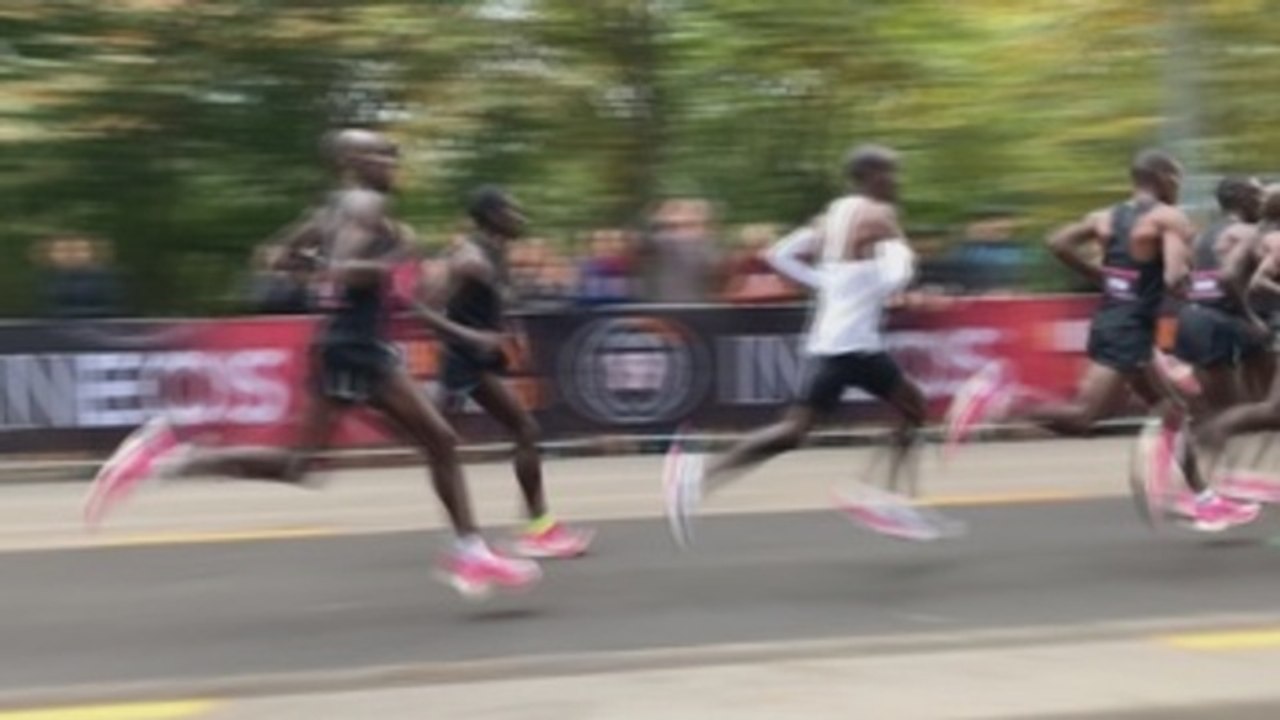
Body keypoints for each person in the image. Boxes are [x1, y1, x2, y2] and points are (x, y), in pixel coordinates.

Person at [83, 130, 542, 599]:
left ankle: (171, 453)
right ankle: (469, 553)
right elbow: (341, 269)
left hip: (343, 342)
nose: (389, 160)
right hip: (356, 347)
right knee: (439, 440)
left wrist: (319, 263)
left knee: (301, 466)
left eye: (390, 153)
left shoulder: (332, 210)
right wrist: (386, 266)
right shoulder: (366, 205)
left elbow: (273, 256)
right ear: (350, 163)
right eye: (376, 154)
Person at [946, 150, 1258, 532]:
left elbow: (1057, 242)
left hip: (1115, 319)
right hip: (1130, 327)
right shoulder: (1168, 218)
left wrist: (1103, 277)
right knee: (1084, 417)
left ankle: (1205, 499)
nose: (1178, 185)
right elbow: (1176, 278)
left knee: (1175, 406)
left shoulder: (1105, 217)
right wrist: (1190, 297)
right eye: (1176, 177)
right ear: (1161, 177)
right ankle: (1002, 399)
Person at [663, 145, 943, 546]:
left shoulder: (833, 215)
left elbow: (779, 254)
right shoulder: (879, 215)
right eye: (890, 173)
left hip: (838, 340)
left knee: (810, 427)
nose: (896, 182)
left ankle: (697, 478)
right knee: (895, 410)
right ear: (871, 175)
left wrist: (830, 283)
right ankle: (888, 499)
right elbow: (899, 274)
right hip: (853, 346)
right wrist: (885, 276)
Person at [437, 186, 594, 559]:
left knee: (447, 441)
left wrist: (511, 331)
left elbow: (494, 302)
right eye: (513, 211)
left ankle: (526, 528)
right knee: (456, 441)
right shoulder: (469, 259)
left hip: (479, 358)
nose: (520, 217)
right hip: (464, 361)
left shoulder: (496, 251)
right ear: (492, 215)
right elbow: (421, 307)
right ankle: (526, 532)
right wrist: (471, 334)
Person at [1171, 177, 1271, 412]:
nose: (1262, 202)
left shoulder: (1202, 236)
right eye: (1257, 196)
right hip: (1221, 323)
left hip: (1193, 319)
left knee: (1221, 409)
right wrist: (1249, 317)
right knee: (1243, 412)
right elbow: (1228, 276)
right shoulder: (1246, 232)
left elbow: (1178, 279)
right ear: (1240, 198)